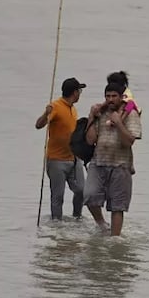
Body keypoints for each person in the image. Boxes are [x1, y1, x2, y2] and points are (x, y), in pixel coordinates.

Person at [83, 82, 143, 236]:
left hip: (121, 164)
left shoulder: (131, 113)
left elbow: (129, 141)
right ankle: (102, 225)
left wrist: (118, 123)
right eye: (107, 96)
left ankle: (114, 239)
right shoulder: (101, 113)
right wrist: (91, 117)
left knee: (117, 206)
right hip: (98, 162)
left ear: (121, 97)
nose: (110, 99)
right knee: (89, 195)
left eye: (114, 96)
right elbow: (90, 141)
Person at [34, 77, 87, 221]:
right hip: (56, 160)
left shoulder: (73, 109)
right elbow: (38, 125)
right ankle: (56, 224)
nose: (80, 94)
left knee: (82, 190)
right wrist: (46, 114)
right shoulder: (55, 106)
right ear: (74, 92)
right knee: (58, 196)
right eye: (79, 91)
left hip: (74, 158)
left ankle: (77, 218)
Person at [107, 71, 141, 174]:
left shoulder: (126, 93)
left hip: (130, 109)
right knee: (126, 145)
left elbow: (128, 105)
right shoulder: (116, 93)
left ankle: (130, 165)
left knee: (127, 143)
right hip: (124, 110)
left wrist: (120, 119)